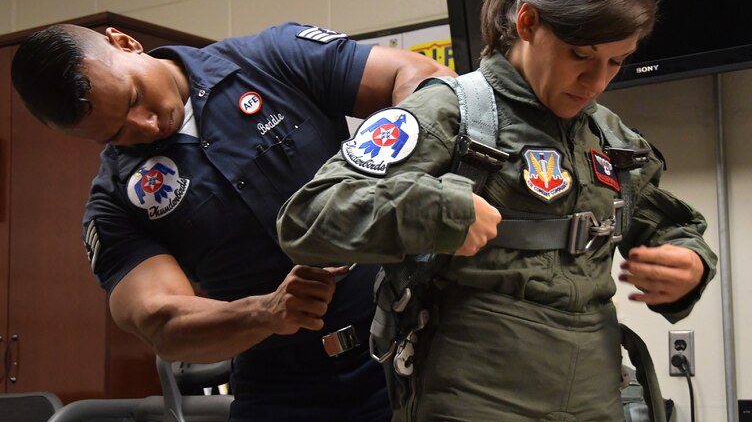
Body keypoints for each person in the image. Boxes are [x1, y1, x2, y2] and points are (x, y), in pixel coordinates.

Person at [277, 0, 718, 422]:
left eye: (615, 61)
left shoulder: (611, 139)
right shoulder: (450, 111)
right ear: (527, 22)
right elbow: (307, 218)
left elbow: (670, 224)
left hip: (596, 392)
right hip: (474, 393)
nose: (596, 82)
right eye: (581, 56)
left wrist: (689, 263)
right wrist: (432, 211)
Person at [11, 21, 455, 422]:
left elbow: (421, 79)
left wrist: (393, 180)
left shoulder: (271, 58)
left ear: (126, 44)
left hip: (409, 344)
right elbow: (162, 323)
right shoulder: (114, 202)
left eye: (134, 98)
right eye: (116, 134)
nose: (146, 126)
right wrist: (266, 311)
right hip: (282, 388)